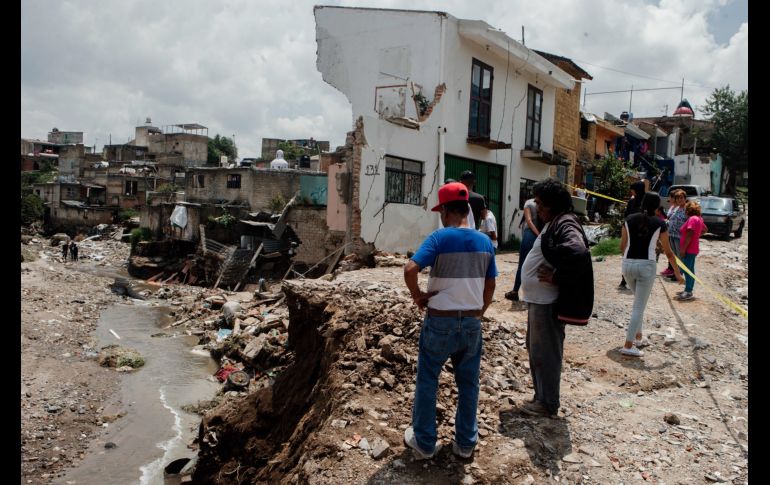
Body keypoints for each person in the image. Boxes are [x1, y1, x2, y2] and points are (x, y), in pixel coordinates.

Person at [403, 182, 497, 460]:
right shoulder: (484, 242)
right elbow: (490, 284)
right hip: (471, 323)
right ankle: (466, 444)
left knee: (428, 379)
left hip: (440, 322)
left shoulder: (439, 238)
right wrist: (481, 310)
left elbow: (410, 268)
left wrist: (418, 295)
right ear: (467, 209)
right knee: (468, 383)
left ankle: (424, 443)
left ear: (445, 210)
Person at [519, 178, 593, 418]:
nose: (537, 209)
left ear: (552, 204)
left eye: (540, 204)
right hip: (538, 301)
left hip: (546, 303)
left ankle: (547, 403)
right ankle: (541, 397)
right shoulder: (556, 222)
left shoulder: (566, 223)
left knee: (546, 353)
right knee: (536, 350)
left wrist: (557, 276)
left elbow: (578, 252)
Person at [619, 192, 684, 357]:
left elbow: (622, 246)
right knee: (639, 306)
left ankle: (638, 337)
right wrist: (677, 274)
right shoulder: (660, 223)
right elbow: (669, 253)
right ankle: (628, 344)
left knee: (638, 304)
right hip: (646, 265)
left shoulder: (629, 219)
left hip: (627, 264)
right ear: (658, 207)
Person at [505, 197, 542, 301]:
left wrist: (538, 235)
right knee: (538, 265)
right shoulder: (545, 202)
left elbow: (529, 221)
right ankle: (536, 294)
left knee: (522, 264)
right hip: (543, 234)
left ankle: (515, 292)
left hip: (530, 235)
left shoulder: (529, 202)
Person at [676, 200, 707, 301]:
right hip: (693, 248)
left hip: (689, 249)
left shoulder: (692, 219)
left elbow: (689, 234)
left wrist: (683, 249)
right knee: (690, 269)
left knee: (687, 270)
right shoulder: (699, 218)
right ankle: (688, 289)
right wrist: (697, 236)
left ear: (688, 209)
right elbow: (705, 230)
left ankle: (688, 291)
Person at [618, 181, 647, 289]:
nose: (631, 191)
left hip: (643, 233)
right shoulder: (632, 201)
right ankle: (624, 279)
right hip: (631, 233)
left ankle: (638, 279)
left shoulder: (646, 201)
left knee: (640, 257)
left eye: (633, 189)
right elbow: (626, 216)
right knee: (628, 255)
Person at [662, 189, 687, 279]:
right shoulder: (676, 208)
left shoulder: (687, 209)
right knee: (675, 256)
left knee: (680, 257)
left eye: (681, 198)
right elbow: (671, 219)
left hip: (680, 237)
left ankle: (680, 274)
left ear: (685, 198)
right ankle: (676, 272)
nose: (679, 200)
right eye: (677, 198)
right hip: (672, 235)